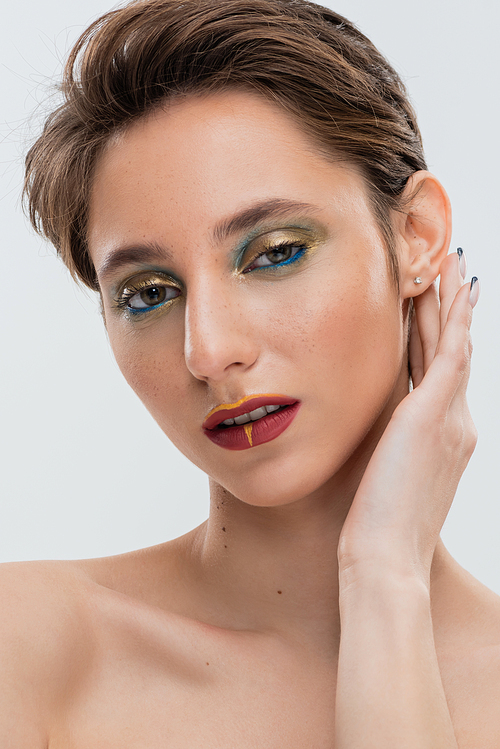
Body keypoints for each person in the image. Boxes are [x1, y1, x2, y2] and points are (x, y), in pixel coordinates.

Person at [2, 0, 499, 745]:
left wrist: (387, 576)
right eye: (149, 294)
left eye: (275, 252)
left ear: (419, 237)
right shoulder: (32, 647)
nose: (208, 351)